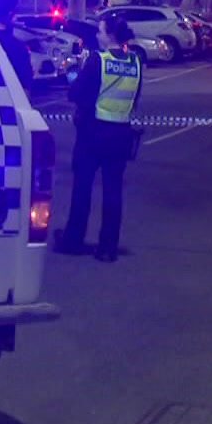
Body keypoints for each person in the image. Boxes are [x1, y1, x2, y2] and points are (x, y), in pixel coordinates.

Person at [56, 17, 142, 263]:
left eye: (101, 31)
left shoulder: (98, 60)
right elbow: (135, 98)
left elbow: (78, 93)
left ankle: (73, 239)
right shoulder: (135, 61)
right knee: (113, 190)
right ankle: (108, 246)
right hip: (121, 134)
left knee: (82, 187)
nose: (97, 35)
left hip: (93, 133)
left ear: (111, 35)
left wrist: (72, 79)